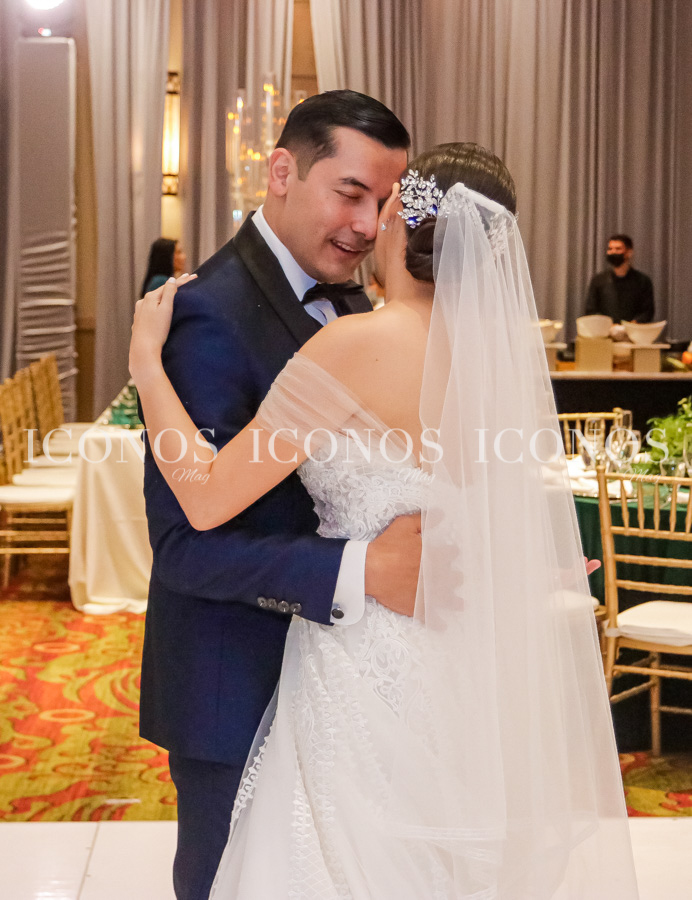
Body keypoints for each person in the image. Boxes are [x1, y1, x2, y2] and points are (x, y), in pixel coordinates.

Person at [131, 142, 639, 898]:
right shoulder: (492, 362)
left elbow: (205, 498)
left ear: (399, 215)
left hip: (362, 664)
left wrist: (147, 365)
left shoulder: (353, 343)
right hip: (458, 668)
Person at [135, 90, 420, 900]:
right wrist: (361, 569)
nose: (366, 226)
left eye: (382, 203)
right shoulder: (207, 314)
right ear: (283, 172)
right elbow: (185, 546)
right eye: (350, 193)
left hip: (353, 683)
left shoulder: (357, 305)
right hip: (237, 683)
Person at [584, 234, 654, 333]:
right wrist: (610, 326)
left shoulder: (642, 281)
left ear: (629, 252)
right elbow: (591, 310)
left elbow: (647, 311)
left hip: (633, 334)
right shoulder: (598, 280)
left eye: (618, 249)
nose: (613, 252)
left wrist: (630, 326)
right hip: (604, 333)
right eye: (610, 249)